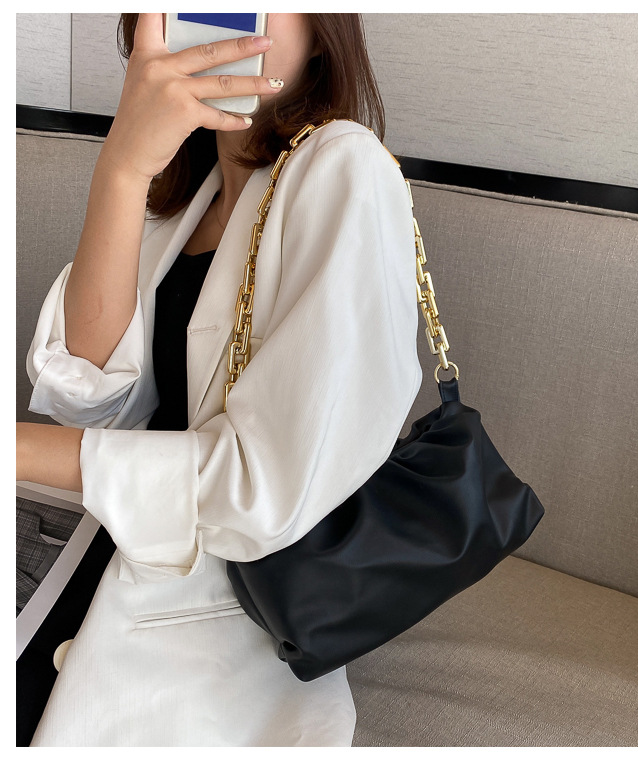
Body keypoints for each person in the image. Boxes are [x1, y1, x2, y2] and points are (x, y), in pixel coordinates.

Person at [17, 13, 422, 746]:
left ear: (324, 28)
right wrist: (122, 169)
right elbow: (88, 395)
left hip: (230, 615)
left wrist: (15, 450)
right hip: (107, 550)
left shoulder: (344, 168)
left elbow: (266, 490)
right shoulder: (190, 192)